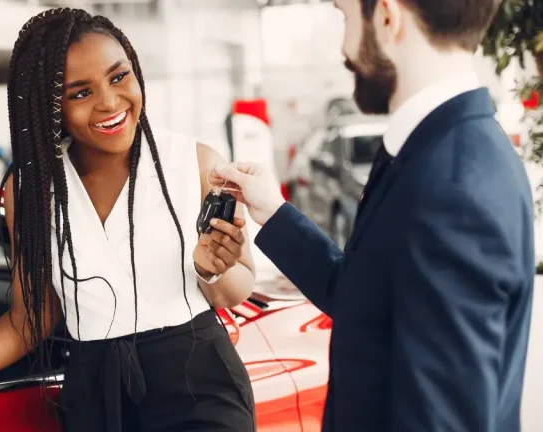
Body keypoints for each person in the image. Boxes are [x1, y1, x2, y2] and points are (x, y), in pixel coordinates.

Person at [0, 8, 257, 432]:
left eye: (119, 77)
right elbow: (32, 318)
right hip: (94, 394)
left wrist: (214, 271)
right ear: (51, 106)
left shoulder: (196, 163)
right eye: (81, 93)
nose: (110, 102)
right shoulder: (32, 189)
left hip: (197, 383)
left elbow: (234, 292)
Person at [213, 0, 535, 431]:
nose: (342, 48)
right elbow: (364, 298)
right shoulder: (439, 149)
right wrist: (273, 211)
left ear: (386, 16)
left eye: (344, 16)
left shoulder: (452, 184)